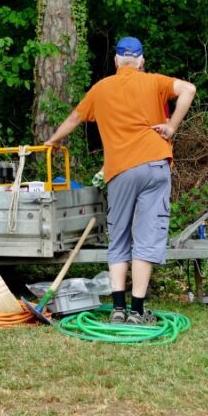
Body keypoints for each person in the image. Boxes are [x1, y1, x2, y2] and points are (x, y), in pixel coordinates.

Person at [44, 36, 196, 325]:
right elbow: (188, 89)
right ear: (141, 60)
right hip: (153, 164)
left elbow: (75, 118)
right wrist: (171, 127)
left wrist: (52, 140)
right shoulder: (153, 81)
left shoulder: (101, 88)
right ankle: (137, 310)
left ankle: (116, 308)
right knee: (146, 235)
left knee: (120, 236)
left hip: (120, 171)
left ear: (116, 61)